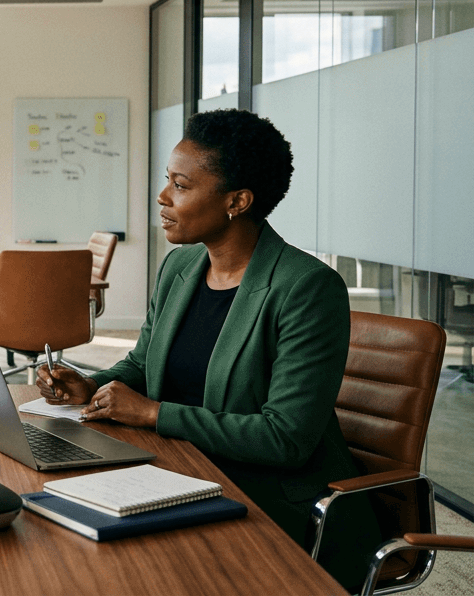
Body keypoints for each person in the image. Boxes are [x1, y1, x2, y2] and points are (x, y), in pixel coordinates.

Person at [37, 109, 379, 590]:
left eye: (180, 185)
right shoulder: (180, 267)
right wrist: (91, 385)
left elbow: (285, 438)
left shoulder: (307, 288)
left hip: (267, 498)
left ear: (237, 201)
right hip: (176, 471)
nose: (162, 197)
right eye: (168, 181)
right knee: (54, 530)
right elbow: (142, 362)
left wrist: (154, 413)